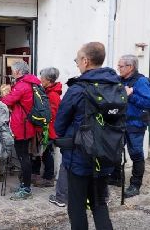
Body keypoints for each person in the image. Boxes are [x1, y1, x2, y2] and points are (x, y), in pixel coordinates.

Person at [55, 42, 114, 229]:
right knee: (99, 204)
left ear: (85, 61)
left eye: (77, 60)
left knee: (77, 206)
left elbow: (59, 124)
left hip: (79, 158)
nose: (77, 64)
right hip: (106, 155)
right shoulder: (115, 85)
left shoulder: (78, 89)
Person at [109, 54, 150, 197]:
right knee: (115, 150)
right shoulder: (120, 80)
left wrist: (131, 95)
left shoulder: (141, 81)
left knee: (136, 154)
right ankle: (116, 178)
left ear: (130, 67)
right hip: (119, 122)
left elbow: (148, 102)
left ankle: (135, 185)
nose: (118, 68)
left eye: (121, 66)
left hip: (135, 124)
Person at [0, 60, 41, 200]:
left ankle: (26, 188)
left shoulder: (22, 85)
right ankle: (24, 184)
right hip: (27, 125)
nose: (12, 73)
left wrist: (4, 94)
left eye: (12, 70)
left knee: (23, 157)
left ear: (18, 72)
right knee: (25, 157)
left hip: (22, 127)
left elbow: (7, 101)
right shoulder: (31, 83)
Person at [32, 67, 62, 188]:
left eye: (42, 78)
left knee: (46, 153)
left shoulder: (53, 94)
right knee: (41, 152)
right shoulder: (46, 91)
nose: (40, 80)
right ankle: (38, 174)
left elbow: (52, 114)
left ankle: (49, 178)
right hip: (44, 128)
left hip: (48, 129)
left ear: (48, 80)